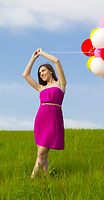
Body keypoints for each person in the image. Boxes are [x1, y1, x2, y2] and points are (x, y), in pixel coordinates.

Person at [22, 48, 66, 179]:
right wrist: (33, 58)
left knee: (41, 154)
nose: (41, 74)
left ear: (50, 71)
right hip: (41, 119)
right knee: (42, 154)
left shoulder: (61, 84)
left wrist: (41, 54)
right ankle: (48, 178)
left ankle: (31, 179)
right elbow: (25, 75)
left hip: (54, 119)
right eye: (39, 72)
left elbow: (57, 61)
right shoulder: (40, 87)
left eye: (43, 70)